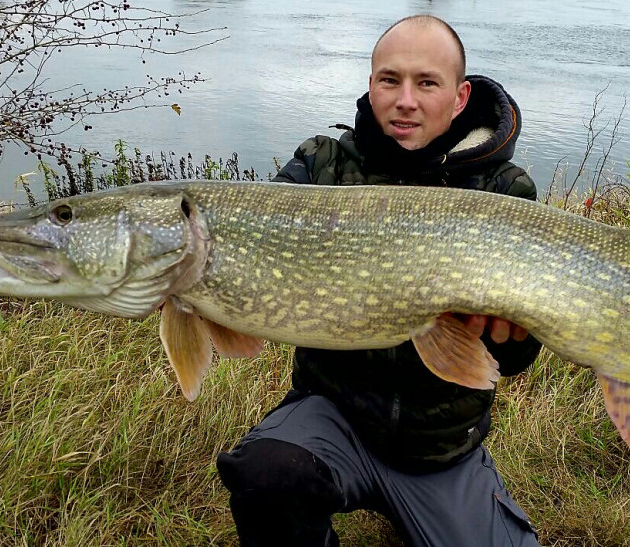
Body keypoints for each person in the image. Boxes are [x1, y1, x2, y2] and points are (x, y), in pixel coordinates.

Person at [216, 14, 543, 547]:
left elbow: (511, 361)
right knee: (268, 475)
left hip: (439, 450)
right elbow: (252, 231)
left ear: (460, 98)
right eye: (389, 80)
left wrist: (513, 335)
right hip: (332, 419)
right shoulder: (320, 165)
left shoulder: (500, 190)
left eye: (426, 83)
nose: (405, 100)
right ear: (371, 85)